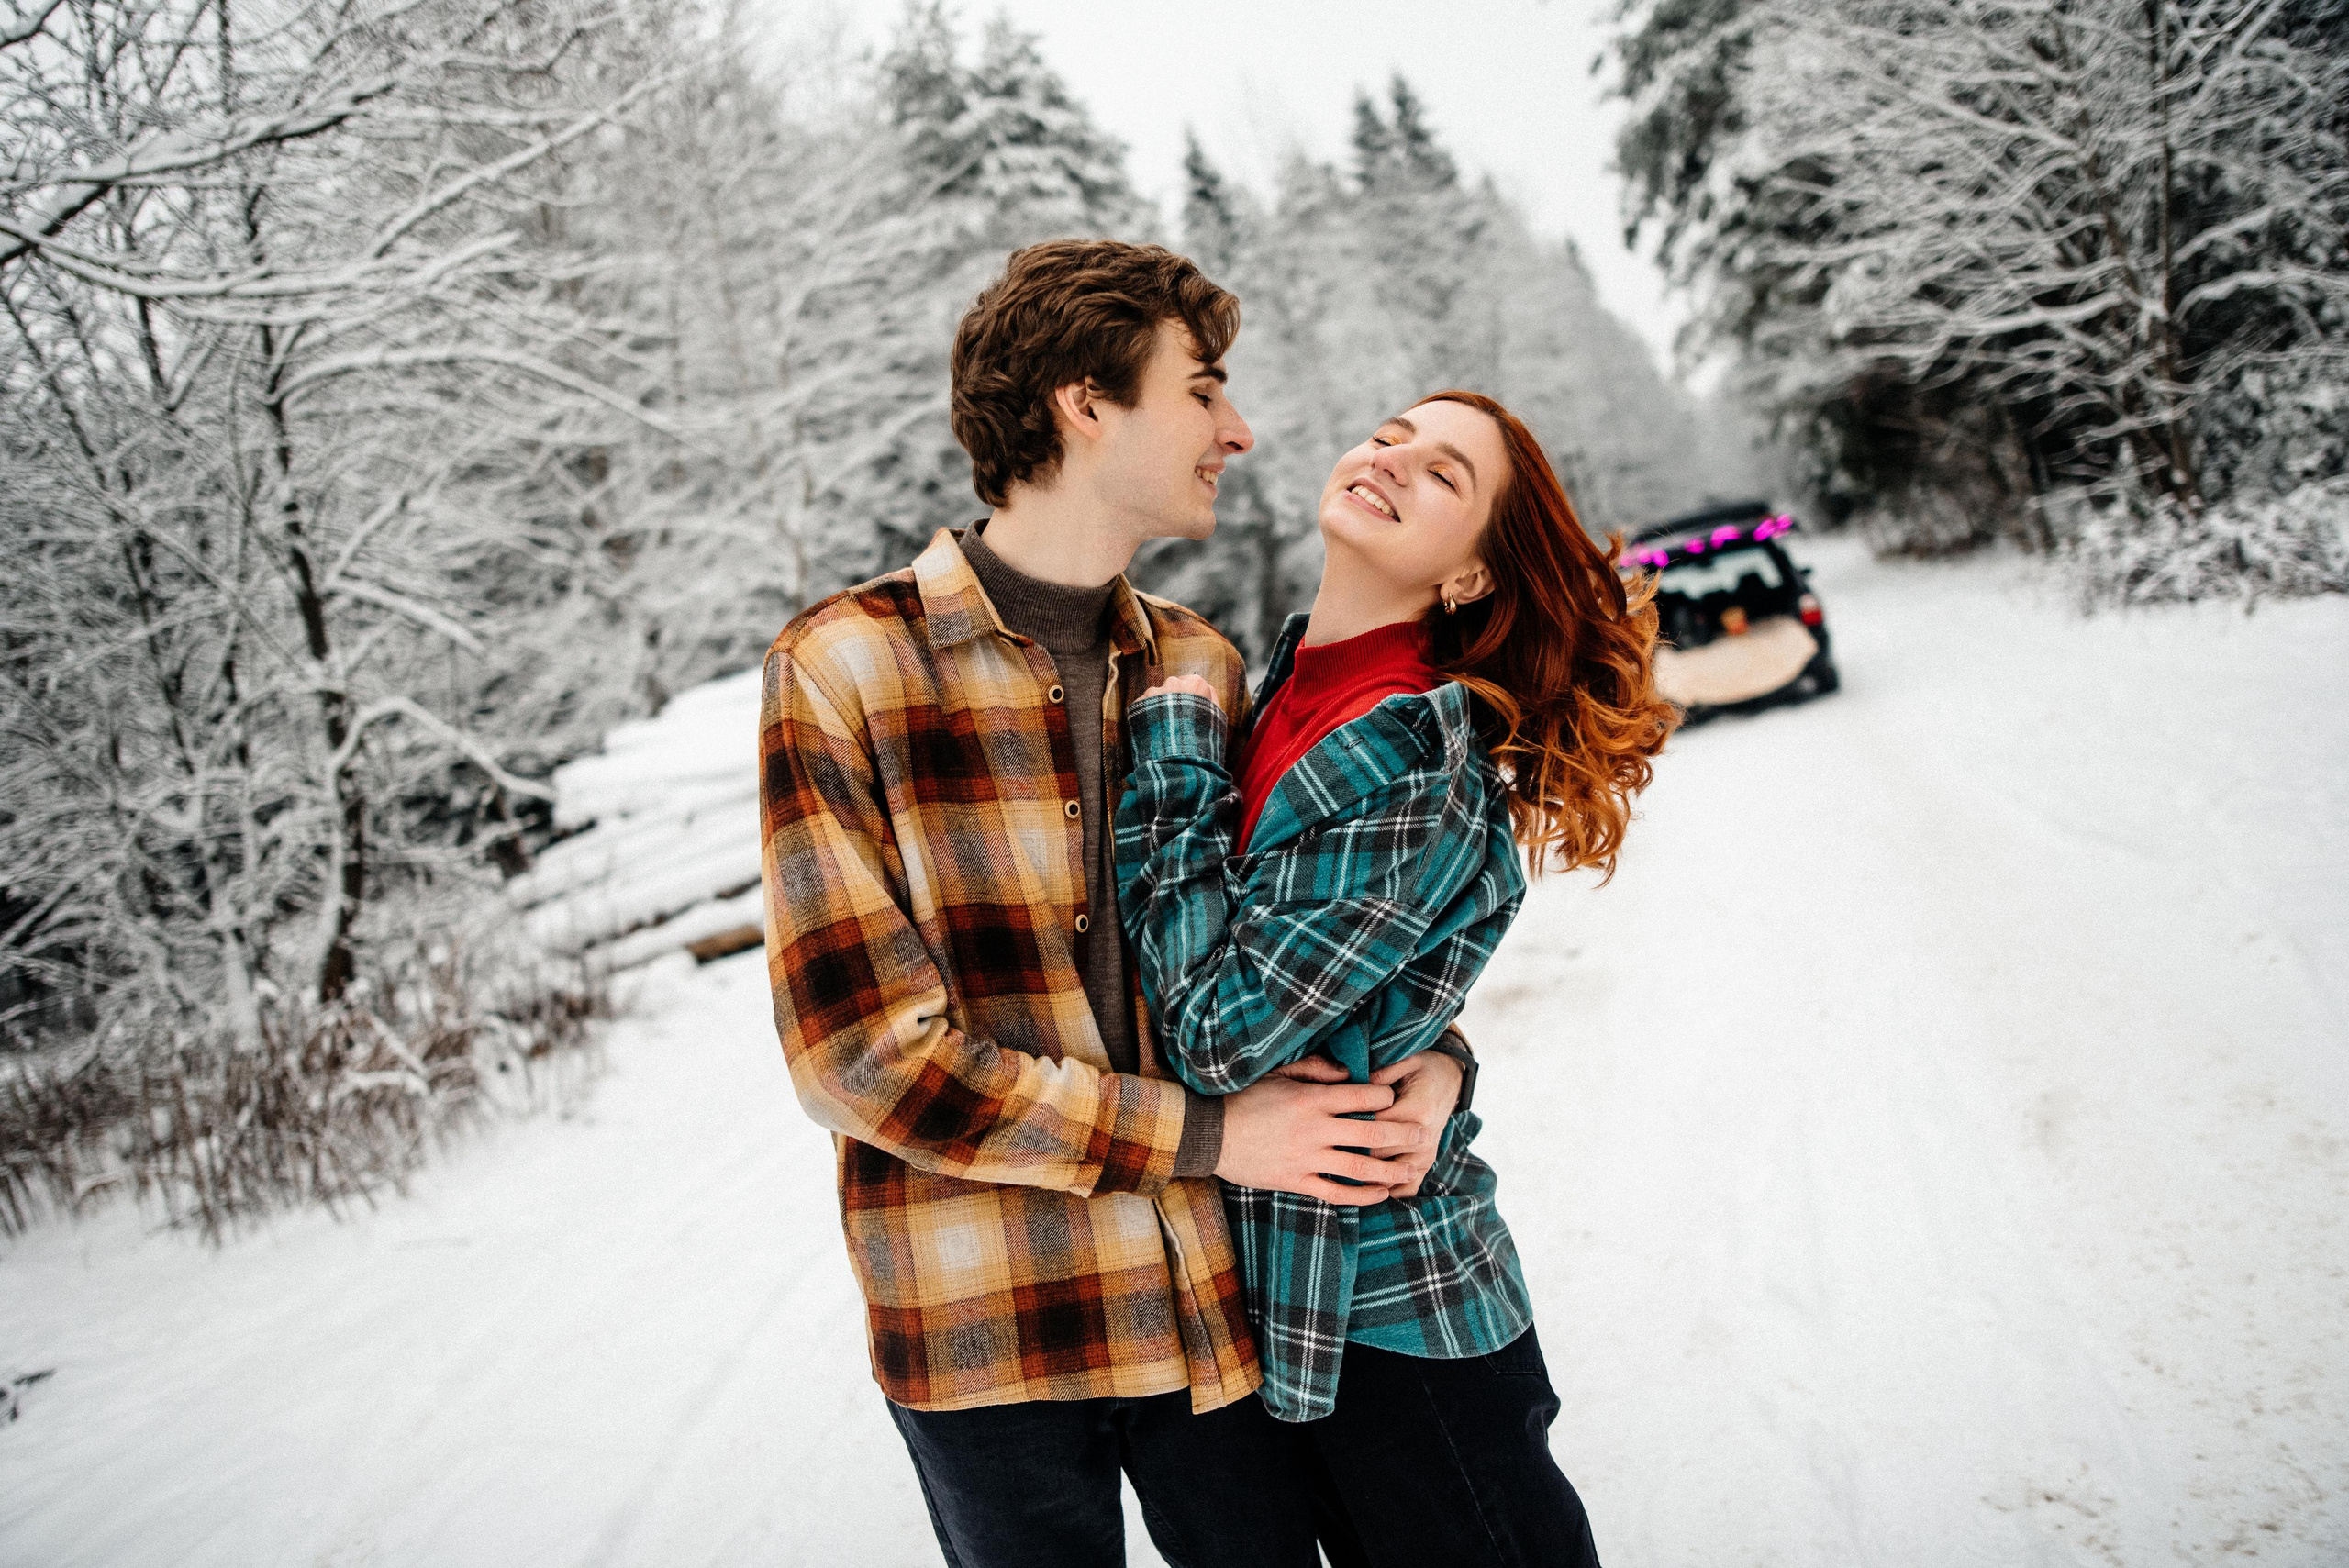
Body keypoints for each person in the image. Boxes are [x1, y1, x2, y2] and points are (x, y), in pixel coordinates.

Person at [756, 239, 1472, 1568]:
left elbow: (1314, 956)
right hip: (986, 1327)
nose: (1239, 430)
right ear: (1087, 403)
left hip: (1207, 1306)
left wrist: (1435, 1062)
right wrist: (1206, 1135)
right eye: (1202, 391)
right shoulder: (845, 668)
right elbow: (862, 1062)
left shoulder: (1199, 665)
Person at [1116, 389, 1678, 1568]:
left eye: (1444, 474)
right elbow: (1363, 994)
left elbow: (1221, 1033)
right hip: (1294, 1306)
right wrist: (1444, 1059)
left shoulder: (1406, 748)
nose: (1392, 459)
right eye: (1390, 435)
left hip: (1399, 1320)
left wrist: (1167, 750)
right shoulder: (1285, 690)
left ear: (1470, 575)